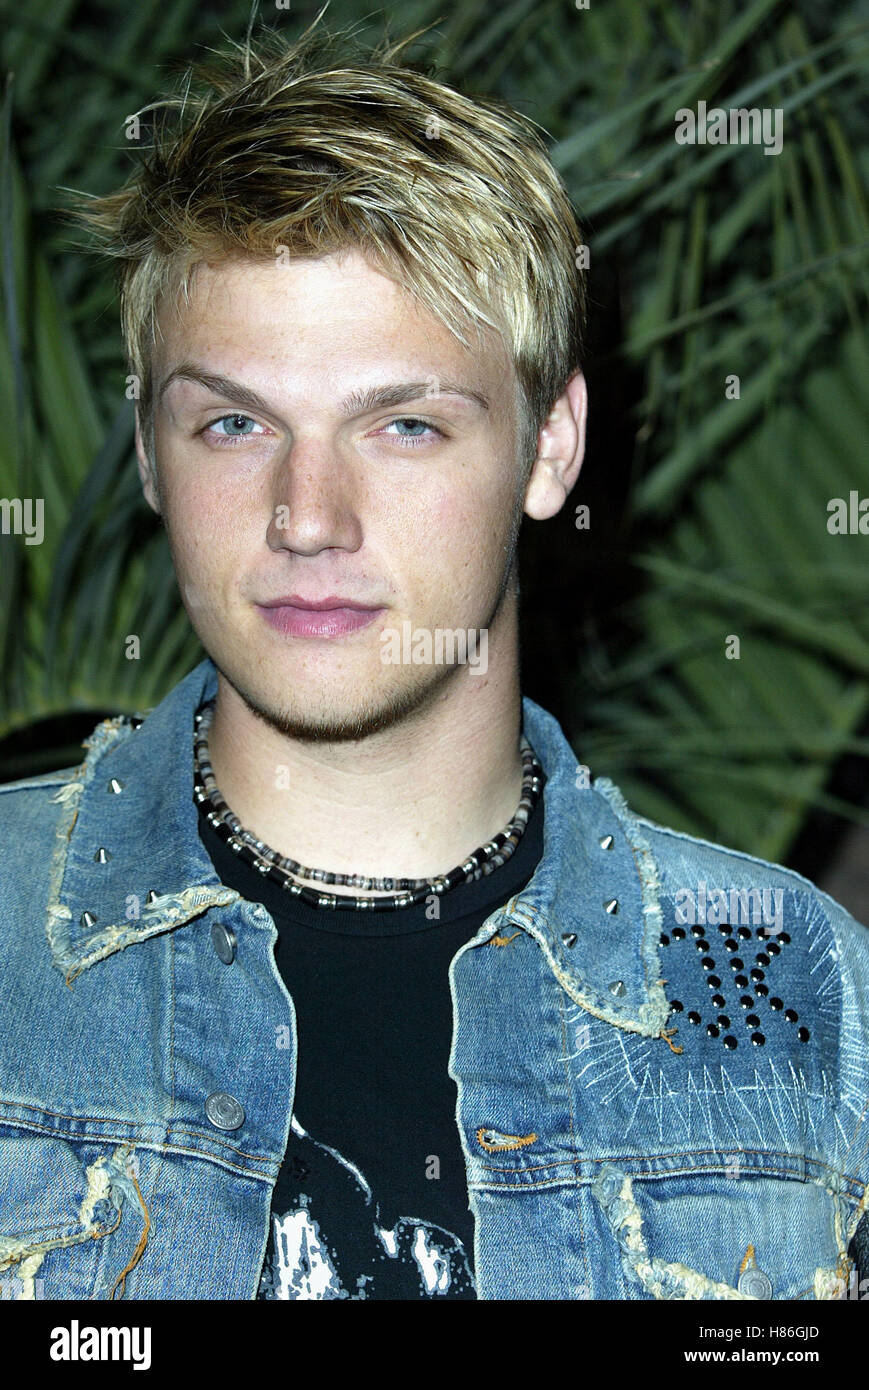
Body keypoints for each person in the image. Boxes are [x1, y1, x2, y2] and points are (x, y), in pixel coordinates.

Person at [1, 15, 867, 1302]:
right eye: (233, 421)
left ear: (550, 445)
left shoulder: (795, 986)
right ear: (146, 448)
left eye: (402, 425)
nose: (307, 516)